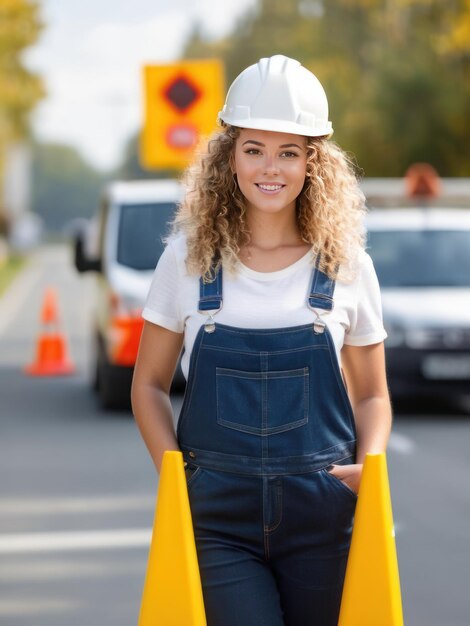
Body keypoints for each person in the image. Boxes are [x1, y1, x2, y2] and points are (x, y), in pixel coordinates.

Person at [131, 55, 392, 626]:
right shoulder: (187, 259)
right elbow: (147, 385)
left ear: (313, 162)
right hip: (217, 518)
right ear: (230, 156)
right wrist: (175, 476)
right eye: (254, 149)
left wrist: (369, 468)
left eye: (289, 151)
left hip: (324, 515)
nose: (269, 168)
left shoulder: (348, 266)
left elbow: (373, 395)